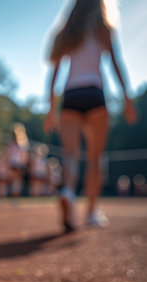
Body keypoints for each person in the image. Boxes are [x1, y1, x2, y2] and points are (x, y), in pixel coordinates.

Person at [44, 0, 137, 231]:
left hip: (71, 96)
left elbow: (54, 73)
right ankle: (91, 211)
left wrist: (50, 109)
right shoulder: (103, 28)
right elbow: (116, 64)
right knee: (95, 158)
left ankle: (67, 191)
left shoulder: (67, 31)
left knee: (70, 155)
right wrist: (126, 98)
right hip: (95, 94)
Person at [6, 123, 30, 207]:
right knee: (16, 182)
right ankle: (14, 199)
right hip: (18, 164)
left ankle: (13, 198)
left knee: (14, 182)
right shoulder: (21, 143)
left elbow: (8, 155)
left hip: (14, 164)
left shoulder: (11, 143)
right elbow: (24, 156)